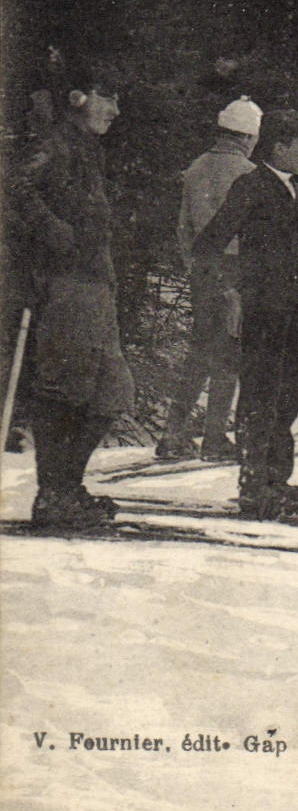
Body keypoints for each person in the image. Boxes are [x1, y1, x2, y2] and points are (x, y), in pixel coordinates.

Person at [6, 57, 135, 528]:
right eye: (108, 96)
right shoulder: (56, 142)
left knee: (111, 393)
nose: (116, 110)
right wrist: (53, 231)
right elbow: (14, 186)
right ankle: (54, 496)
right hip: (65, 285)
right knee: (67, 391)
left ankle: (64, 488)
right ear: (77, 97)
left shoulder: (85, 147)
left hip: (95, 283)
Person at [191, 109, 298, 520]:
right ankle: (254, 488)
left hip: (293, 311)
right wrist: (230, 290)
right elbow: (209, 244)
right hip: (264, 312)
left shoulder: (293, 190)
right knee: (261, 397)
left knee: (287, 398)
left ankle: (275, 481)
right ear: (279, 146)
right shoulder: (251, 185)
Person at [155, 96, 262, 461]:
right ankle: (215, 438)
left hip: (202, 270)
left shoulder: (196, 167)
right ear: (248, 136)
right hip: (235, 271)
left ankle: (173, 434)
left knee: (199, 353)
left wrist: (195, 266)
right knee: (229, 356)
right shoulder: (248, 173)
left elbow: (183, 227)